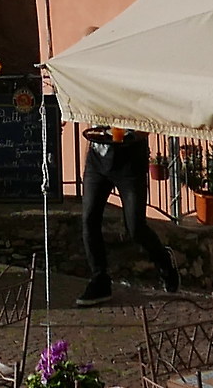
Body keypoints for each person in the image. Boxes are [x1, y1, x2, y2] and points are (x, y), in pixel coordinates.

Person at [77, 127, 179, 302]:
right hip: (97, 159)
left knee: (135, 228)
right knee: (89, 219)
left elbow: (148, 122)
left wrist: (132, 135)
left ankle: (164, 262)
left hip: (130, 163)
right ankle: (99, 280)